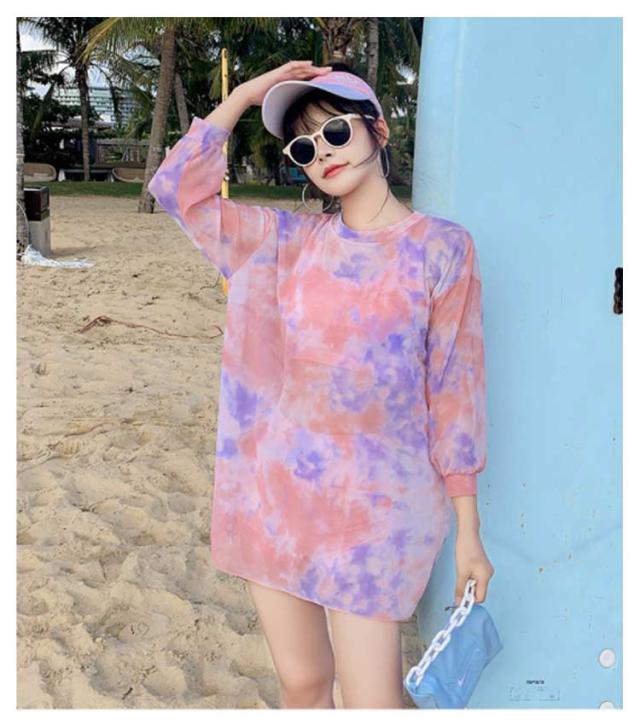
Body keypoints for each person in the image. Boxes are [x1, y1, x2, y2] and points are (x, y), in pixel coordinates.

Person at [147, 59, 495, 709]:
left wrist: (468, 530)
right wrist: (244, 95)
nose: (323, 152)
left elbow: (456, 390)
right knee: (303, 684)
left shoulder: (442, 248)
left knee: (372, 702)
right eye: (303, 148)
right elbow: (178, 191)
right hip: (278, 502)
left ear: (378, 130)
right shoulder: (283, 242)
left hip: (377, 516)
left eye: (335, 131)